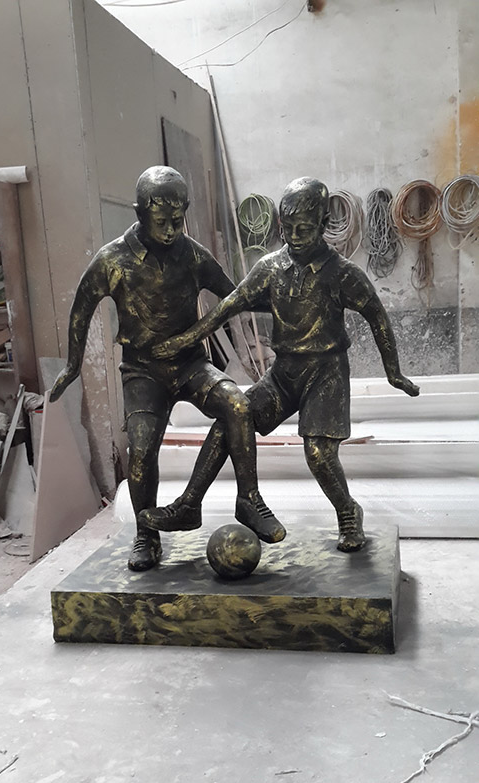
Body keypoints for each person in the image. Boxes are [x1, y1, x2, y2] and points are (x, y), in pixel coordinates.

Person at [143, 177, 420, 552]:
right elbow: (230, 305)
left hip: (325, 374)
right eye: (288, 228)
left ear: (323, 224)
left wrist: (393, 372)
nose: (296, 236)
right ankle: (189, 505)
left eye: (305, 228)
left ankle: (348, 511)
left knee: (319, 454)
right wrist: (187, 338)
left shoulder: (342, 273)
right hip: (284, 373)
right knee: (232, 420)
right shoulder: (270, 267)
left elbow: (378, 318)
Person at [50, 166, 285, 571]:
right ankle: (146, 534)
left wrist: (291, 299)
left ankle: (247, 498)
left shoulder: (193, 255)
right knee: (141, 451)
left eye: (178, 220)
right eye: (161, 221)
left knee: (238, 405)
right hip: (142, 372)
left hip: (191, 364)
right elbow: (81, 310)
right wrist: (72, 365)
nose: (171, 230)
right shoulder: (113, 259)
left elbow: (235, 296)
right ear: (140, 212)